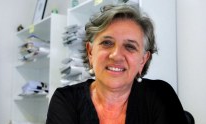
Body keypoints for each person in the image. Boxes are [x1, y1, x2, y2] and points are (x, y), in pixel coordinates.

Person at [46, 4, 188, 124]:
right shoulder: (65, 101)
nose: (116, 55)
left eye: (130, 46)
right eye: (107, 43)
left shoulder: (160, 94)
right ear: (90, 52)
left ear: (143, 60)